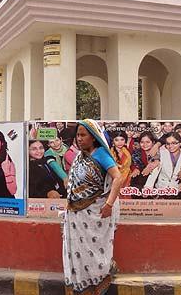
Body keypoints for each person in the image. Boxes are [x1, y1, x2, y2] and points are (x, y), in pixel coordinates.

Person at [63, 119, 123, 295]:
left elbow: (118, 178)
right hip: (77, 212)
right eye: (78, 135)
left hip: (96, 210)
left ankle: (101, 276)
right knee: (78, 248)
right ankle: (82, 283)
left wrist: (109, 204)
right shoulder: (79, 157)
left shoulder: (101, 154)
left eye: (83, 135)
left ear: (94, 137)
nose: (79, 139)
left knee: (95, 247)